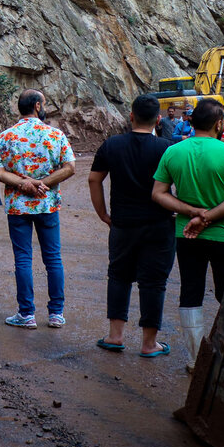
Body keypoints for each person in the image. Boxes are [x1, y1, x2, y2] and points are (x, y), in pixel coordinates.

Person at [150, 98, 224, 371]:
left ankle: (195, 360)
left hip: (187, 233)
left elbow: (158, 194)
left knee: (190, 291)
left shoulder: (173, 152)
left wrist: (194, 212)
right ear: (219, 124)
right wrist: (209, 216)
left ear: (191, 122)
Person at [87, 95, 175, 357]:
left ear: (131, 116)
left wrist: (103, 213)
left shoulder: (112, 145)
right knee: (154, 282)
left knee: (119, 276)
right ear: (158, 120)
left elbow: (94, 179)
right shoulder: (167, 148)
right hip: (159, 224)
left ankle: (115, 336)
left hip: (123, 223)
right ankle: (149, 344)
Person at [0, 89, 76, 330]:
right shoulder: (55, 134)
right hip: (47, 204)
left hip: (18, 207)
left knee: (23, 258)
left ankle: (26, 314)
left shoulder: (6, 136)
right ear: (37, 106)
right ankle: (56, 313)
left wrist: (23, 184)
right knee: (53, 258)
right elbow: (70, 167)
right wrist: (43, 184)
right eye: (45, 103)